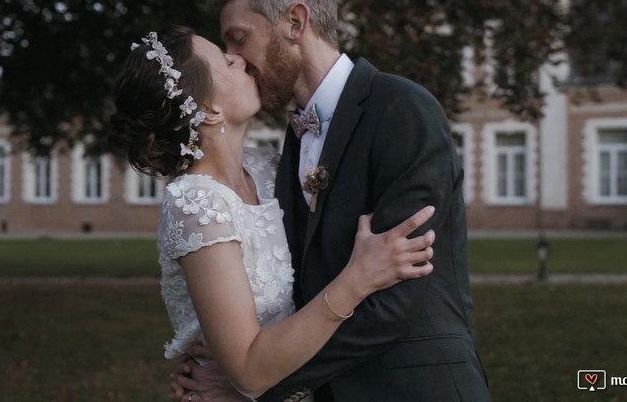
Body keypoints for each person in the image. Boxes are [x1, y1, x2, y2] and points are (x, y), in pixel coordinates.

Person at [172, 0, 491, 401]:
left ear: (295, 23)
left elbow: (395, 301)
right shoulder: (282, 150)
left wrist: (254, 383)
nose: (236, 61)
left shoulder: (401, 110)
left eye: (239, 39)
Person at [109, 26, 437, 400]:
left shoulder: (269, 168)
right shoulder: (197, 206)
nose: (241, 60)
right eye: (225, 60)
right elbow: (249, 371)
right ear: (207, 109)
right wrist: (359, 278)